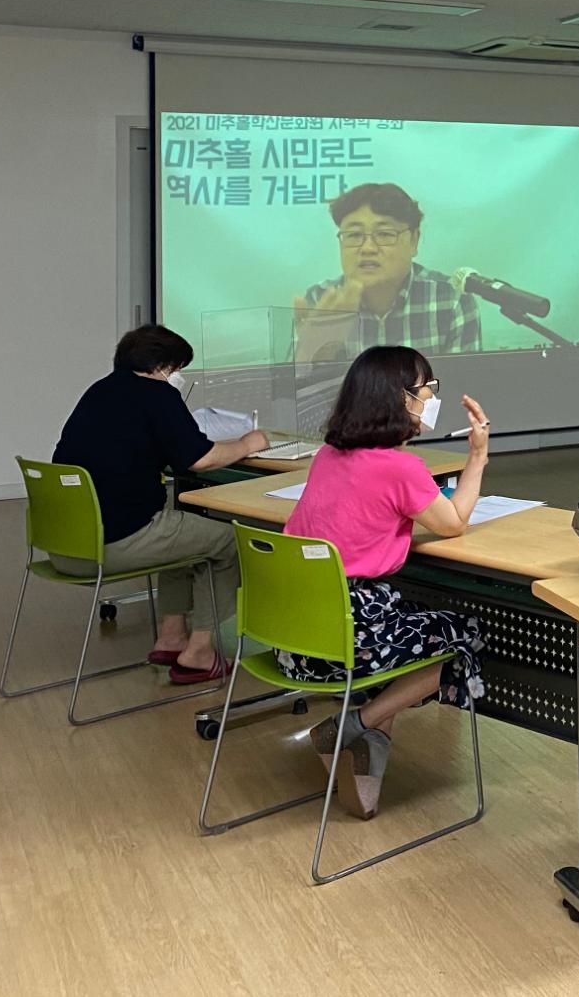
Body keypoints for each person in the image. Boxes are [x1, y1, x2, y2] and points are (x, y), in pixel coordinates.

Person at [277, 345, 489, 821]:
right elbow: (453, 522)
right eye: (426, 389)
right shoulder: (400, 468)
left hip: (296, 635)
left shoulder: (329, 455)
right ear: (400, 398)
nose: (431, 397)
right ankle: (352, 725)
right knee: (464, 636)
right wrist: (477, 456)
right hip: (351, 636)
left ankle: (363, 771)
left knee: (403, 631)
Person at [52, 325, 271, 684]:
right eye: (177, 368)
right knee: (227, 542)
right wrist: (249, 444)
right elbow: (200, 459)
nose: (177, 376)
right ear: (162, 365)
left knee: (180, 529)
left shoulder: (99, 391)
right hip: (112, 543)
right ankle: (200, 652)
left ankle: (172, 637)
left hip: (66, 545)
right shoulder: (157, 394)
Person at [294, 182, 483, 361]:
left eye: (384, 234)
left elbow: (463, 383)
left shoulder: (450, 300)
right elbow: (292, 384)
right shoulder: (321, 302)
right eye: (354, 235)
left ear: (414, 241)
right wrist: (313, 353)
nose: (367, 248)